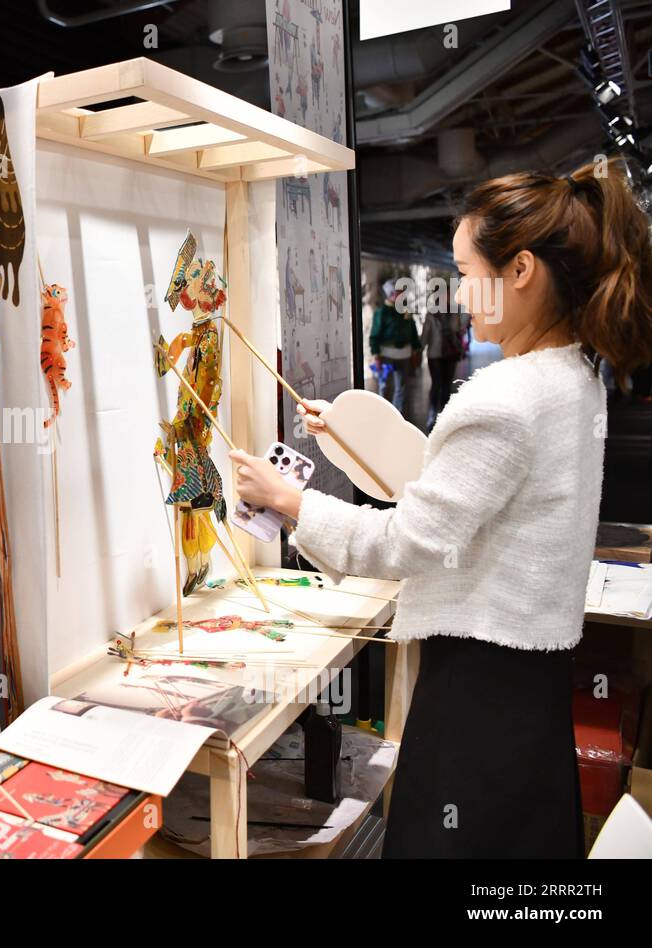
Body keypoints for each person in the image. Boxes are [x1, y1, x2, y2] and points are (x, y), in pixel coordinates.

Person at [230, 162, 652, 858]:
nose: (459, 290)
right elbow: (465, 495)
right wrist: (351, 437)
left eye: (465, 269)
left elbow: (411, 541)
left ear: (520, 270)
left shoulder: (506, 397)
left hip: (478, 691)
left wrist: (290, 502)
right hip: (531, 678)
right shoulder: (576, 376)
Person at [369, 279, 423, 419]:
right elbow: (374, 335)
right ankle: (384, 414)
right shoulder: (381, 312)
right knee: (385, 386)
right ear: (391, 294)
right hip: (386, 355)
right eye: (399, 292)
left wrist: (416, 350)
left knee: (402, 387)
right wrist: (376, 355)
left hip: (404, 355)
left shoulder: (406, 312)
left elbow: (413, 332)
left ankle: (396, 415)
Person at [420, 307, 470, 432]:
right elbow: (426, 333)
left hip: (450, 354)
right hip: (435, 354)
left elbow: (460, 329)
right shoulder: (432, 314)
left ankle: (443, 414)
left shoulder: (454, 313)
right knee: (436, 384)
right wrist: (419, 350)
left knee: (447, 385)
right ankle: (432, 414)